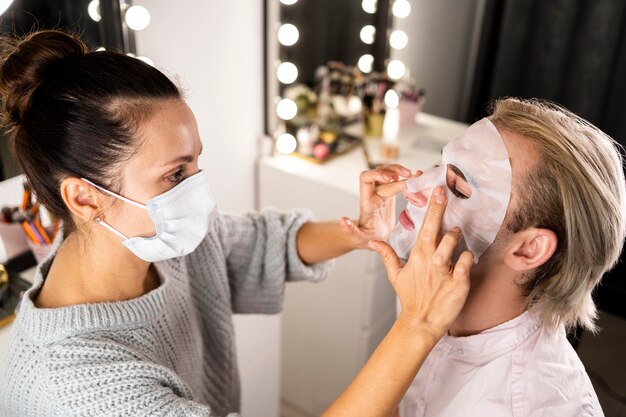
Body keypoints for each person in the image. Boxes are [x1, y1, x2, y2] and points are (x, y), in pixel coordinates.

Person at [0, 30, 474, 417]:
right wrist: (418, 324)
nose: (198, 193)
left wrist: (362, 230)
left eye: (194, 165)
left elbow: (255, 244)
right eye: (174, 175)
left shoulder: (162, 243)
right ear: (85, 197)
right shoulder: (72, 383)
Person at [386, 98, 626, 417]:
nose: (413, 187)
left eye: (457, 189)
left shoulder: (539, 408)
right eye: (436, 165)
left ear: (528, 249)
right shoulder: (422, 291)